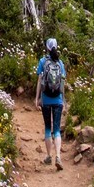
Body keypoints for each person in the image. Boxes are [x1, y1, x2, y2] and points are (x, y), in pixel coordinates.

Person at [34, 36, 67, 170]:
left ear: (46, 48)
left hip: (46, 99)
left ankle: (49, 156)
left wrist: (37, 98)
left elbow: (39, 81)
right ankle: (58, 156)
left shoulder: (43, 61)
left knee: (48, 127)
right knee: (57, 129)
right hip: (58, 99)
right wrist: (63, 100)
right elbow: (63, 83)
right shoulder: (60, 63)